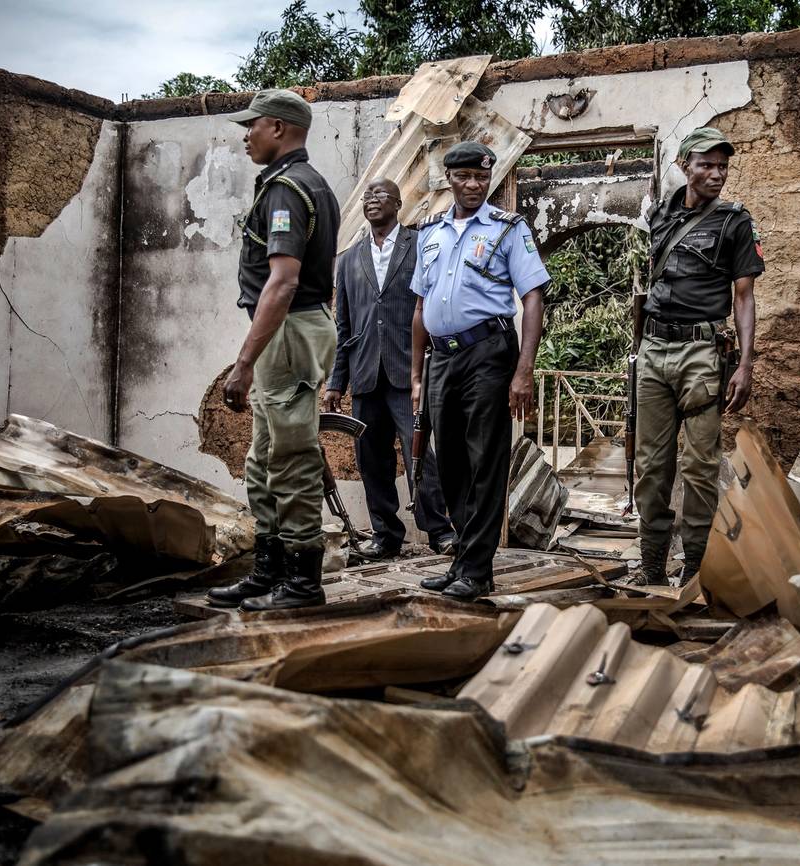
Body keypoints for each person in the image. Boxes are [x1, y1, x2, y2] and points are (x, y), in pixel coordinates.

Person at [206, 89, 341, 611]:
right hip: (288, 333)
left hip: (289, 330)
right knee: (263, 458)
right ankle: (268, 573)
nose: (246, 135)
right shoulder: (305, 185)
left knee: (290, 458)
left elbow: (282, 283)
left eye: (253, 126)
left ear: (280, 129)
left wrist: (242, 364)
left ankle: (303, 583)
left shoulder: (288, 190)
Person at [409, 141, 550, 601]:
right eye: (464, 176)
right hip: (441, 357)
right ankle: (461, 560)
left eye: (482, 177)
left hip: (488, 352)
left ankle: (478, 569)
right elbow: (419, 306)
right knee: (448, 461)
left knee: (484, 459)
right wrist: (416, 375)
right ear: (448, 179)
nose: (473, 185)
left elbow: (532, 297)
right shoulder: (430, 232)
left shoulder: (509, 229)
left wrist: (523, 371)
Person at [636, 127, 763, 586]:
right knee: (651, 465)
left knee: (700, 465)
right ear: (683, 166)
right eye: (706, 165)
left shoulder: (735, 221)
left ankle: (694, 565)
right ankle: (651, 565)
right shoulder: (660, 215)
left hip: (701, 353)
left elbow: (744, 296)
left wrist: (746, 364)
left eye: (722, 166)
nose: (716, 174)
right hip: (653, 350)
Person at [323, 179, 457, 558]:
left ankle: (440, 533)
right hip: (365, 374)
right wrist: (337, 381)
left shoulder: (420, 247)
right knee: (371, 459)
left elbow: (434, 308)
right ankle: (386, 536)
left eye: (379, 195)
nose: (371, 201)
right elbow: (344, 327)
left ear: (398, 204)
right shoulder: (349, 260)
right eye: (367, 196)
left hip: (408, 372)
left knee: (420, 455)